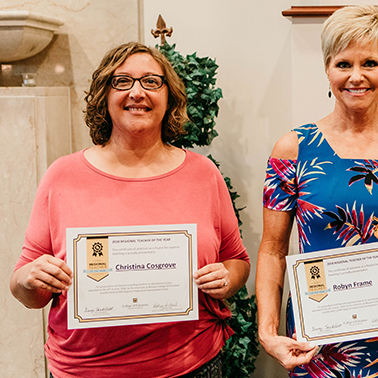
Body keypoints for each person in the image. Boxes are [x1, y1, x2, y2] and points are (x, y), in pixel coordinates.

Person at [9, 42, 250, 378]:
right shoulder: (62, 176)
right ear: (104, 96)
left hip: (191, 366)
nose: (137, 92)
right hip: (85, 371)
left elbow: (237, 260)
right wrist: (29, 278)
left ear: (170, 98)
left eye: (151, 81)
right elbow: (26, 290)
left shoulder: (203, 174)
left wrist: (228, 279)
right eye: (122, 81)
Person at [256, 5, 378, 377]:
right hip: (320, 336)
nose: (357, 76)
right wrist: (267, 331)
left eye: (369, 63)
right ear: (327, 70)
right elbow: (272, 249)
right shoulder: (294, 149)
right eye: (343, 64)